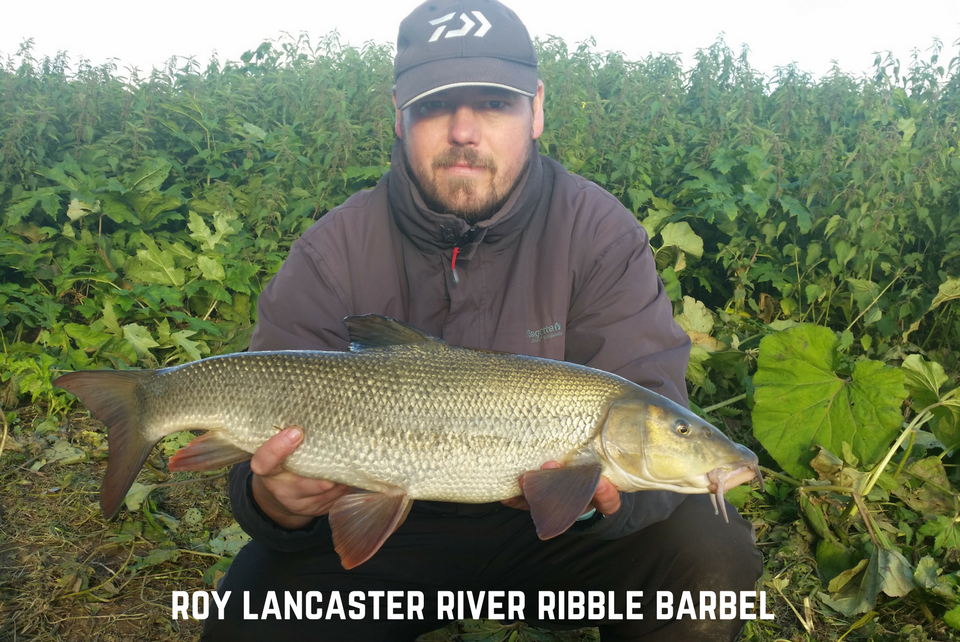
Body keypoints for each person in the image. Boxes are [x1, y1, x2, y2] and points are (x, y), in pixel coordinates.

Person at [202, 1, 762, 640]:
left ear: (537, 111)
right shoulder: (336, 250)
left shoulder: (599, 235)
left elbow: (653, 406)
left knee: (707, 564)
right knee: (250, 618)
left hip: (553, 530)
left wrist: (600, 502)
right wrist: (274, 503)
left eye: (494, 103)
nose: (463, 130)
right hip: (391, 530)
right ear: (399, 116)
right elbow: (258, 457)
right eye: (435, 105)